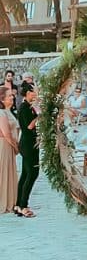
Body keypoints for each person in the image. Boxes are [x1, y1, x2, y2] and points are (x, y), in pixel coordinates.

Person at [15, 83, 39, 218]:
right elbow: (29, 126)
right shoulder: (24, 108)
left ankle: (19, 204)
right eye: (32, 92)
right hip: (28, 144)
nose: (35, 94)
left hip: (29, 143)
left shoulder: (29, 107)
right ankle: (24, 206)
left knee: (25, 174)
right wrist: (39, 116)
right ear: (27, 94)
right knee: (32, 174)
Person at [0, 86, 20, 215]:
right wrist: (16, 147)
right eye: (9, 96)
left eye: (12, 95)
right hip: (5, 145)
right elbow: (6, 134)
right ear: (2, 99)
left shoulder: (9, 111)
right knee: (4, 172)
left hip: (9, 145)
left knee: (9, 172)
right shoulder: (1, 113)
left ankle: (10, 200)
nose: (12, 97)